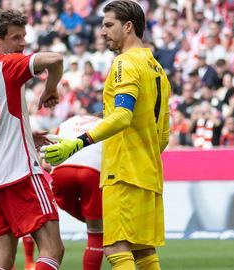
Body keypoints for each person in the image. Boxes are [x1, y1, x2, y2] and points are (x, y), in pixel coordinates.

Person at [42, 1, 171, 269]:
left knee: (115, 248)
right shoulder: (157, 69)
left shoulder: (124, 63)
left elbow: (122, 115)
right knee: (144, 252)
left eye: (108, 25)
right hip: (149, 172)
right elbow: (164, 137)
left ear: (128, 26)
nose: (102, 31)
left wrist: (78, 143)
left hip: (122, 172)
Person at [0, 9, 64, 270]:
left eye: (24, 36)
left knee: (2, 259)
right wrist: (51, 87)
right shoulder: (7, 65)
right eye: (16, 37)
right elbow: (55, 59)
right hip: (19, 172)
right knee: (53, 249)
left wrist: (20, 131)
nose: (23, 44)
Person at [50, 115, 104, 270]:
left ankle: (98, 224)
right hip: (93, 170)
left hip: (63, 169)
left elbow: (47, 161)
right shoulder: (107, 124)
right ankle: (100, 226)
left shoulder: (67, 121)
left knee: (64, 203)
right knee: (96, 233)